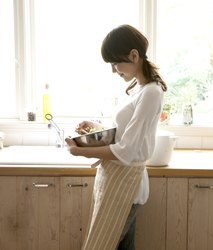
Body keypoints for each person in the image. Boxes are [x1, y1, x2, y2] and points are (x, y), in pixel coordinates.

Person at [65, 24, 167, 250]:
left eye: (115, 63)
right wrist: (95, 127)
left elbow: (127, 150)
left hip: (126, 185)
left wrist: (79, 151)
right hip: (119, 182)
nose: (113, 70)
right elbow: (125, 134)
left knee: (103, 245)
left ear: (134, 55)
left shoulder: (151, 92)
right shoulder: (141, 89)